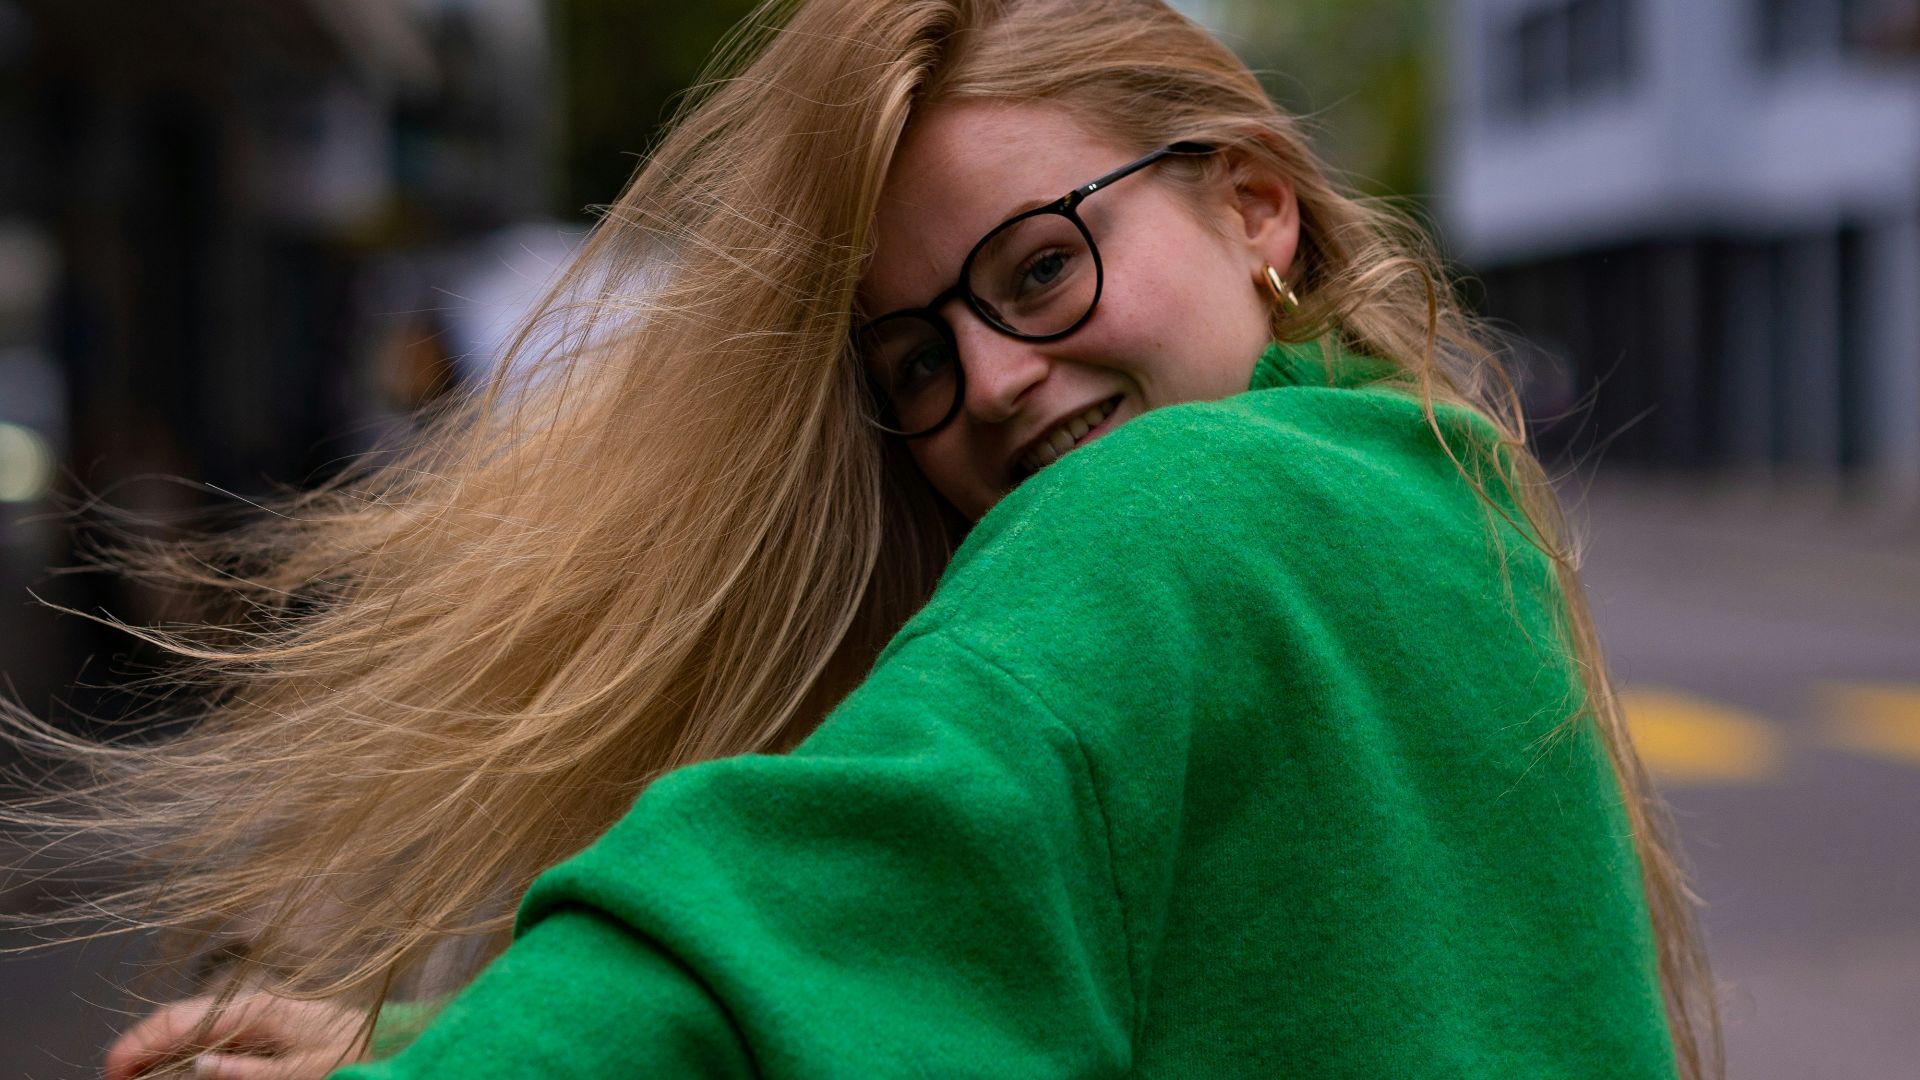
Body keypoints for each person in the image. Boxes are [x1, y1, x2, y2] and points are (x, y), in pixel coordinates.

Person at [8, 0, 1720, 1077]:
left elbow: (793, 910)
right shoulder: (1437, 501)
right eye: (912, 352)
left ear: (1255, 202)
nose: (989, 377)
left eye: (1042, 268)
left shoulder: (1180, 516)